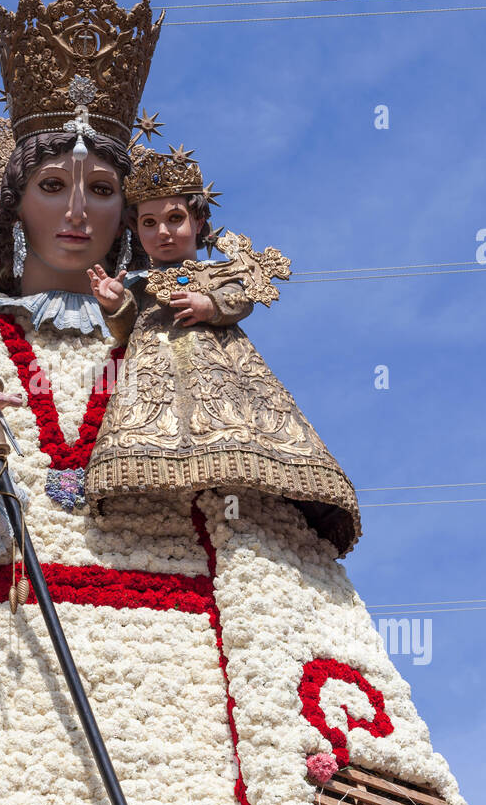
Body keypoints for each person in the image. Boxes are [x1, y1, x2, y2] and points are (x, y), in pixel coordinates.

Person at [0, 0, 469, 805]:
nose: (77, 212)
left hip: (190, 660)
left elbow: (248, 504)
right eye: (52, 187)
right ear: (14, 205)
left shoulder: (174, 337)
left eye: (100, 190)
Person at [85, 145, 362, 557]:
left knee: (229, 438)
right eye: (149, 222)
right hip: (153, 378)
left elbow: (241, 298)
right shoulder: (141, 287)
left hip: (218, 372)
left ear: (198, 222)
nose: (163, 232)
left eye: (174, 219)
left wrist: (210, 306)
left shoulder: (218, 271)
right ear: (136, 231)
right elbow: (128, 330)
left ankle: (239, 502)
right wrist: (114, 305)